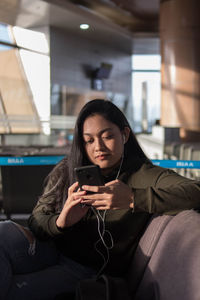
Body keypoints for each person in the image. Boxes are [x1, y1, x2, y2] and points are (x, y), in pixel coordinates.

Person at [0, 99, 200, 300]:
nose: (98, 147)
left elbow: (195, 191)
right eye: (89, 140)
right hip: (49, 250)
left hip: (84, 269)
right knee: (4, 231)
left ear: (125, 134)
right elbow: (36, 219)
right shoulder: (68, 169)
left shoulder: (142, 174)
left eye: (107, 136)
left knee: (14, 291)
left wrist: (132, 198)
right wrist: (62, 221)